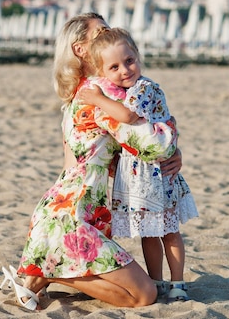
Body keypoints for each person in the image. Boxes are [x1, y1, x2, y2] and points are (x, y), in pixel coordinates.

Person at [0, 12, 183, 311]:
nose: (110, 36)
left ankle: (41, 272)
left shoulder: (83, 91)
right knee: (143, 295)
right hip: (72, 214)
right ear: (80, 49)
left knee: (140, 292)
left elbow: (122, 150)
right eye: (101, 33)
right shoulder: (99, 94)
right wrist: (173, 140)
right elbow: (152, 143)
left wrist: (172, 150)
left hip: (68, 209)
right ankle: (43, 271)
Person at [78, 26, 198, 302]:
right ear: (104, 72)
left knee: (168, 230)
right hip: (134, 173)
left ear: (138, 56)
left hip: (155, 173)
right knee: (148, 232)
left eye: (129, 61)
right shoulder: (121, 90)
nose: (125, 70)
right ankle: (157, 281)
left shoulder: (145, 88)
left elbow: (127, 117)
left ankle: (178, 282)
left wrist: (97, 99)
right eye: (114, 67)